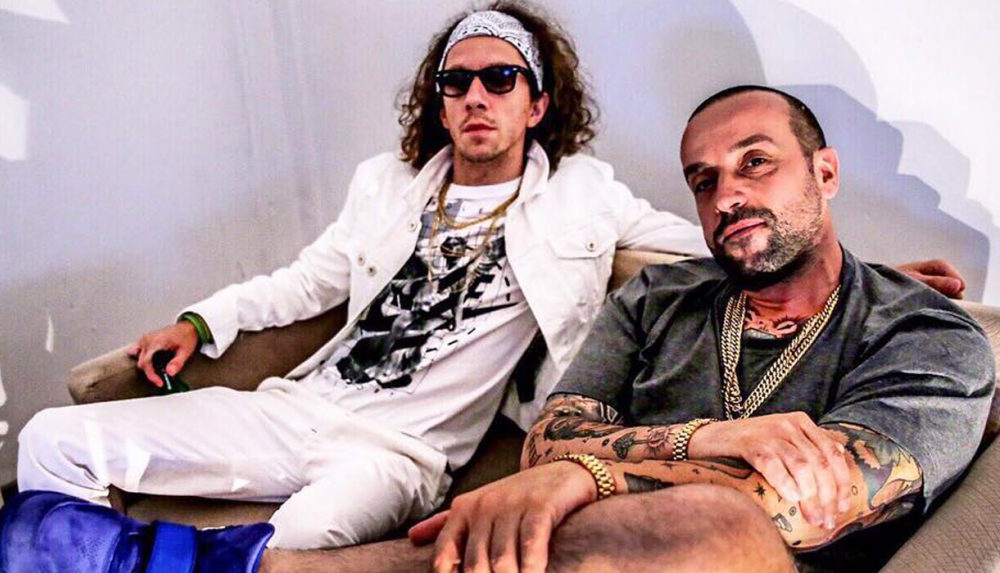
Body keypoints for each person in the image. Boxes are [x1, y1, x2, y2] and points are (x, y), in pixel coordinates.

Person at [2, 2, 966, 570]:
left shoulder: (584, 196)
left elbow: (731, 238)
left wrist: (873, 271)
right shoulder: (386, 186)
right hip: (298, 405)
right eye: (457, 81)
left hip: (405, 449)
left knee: (302, 535)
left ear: (537, 102)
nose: (475, 96)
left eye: (500, 78)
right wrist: (199, 319)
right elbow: (305, 282)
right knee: (49, 436)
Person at [411, 86, 995, 573]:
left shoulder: (926, 332)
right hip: (572, 545)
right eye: (703, 181)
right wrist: (703, 439)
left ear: (825, 173)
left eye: (755, 162)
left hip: (721, 556)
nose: (727, 197)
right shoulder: (656, 296)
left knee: (722, 523)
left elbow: (809, 501)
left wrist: (589, 475)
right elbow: (547, 442)